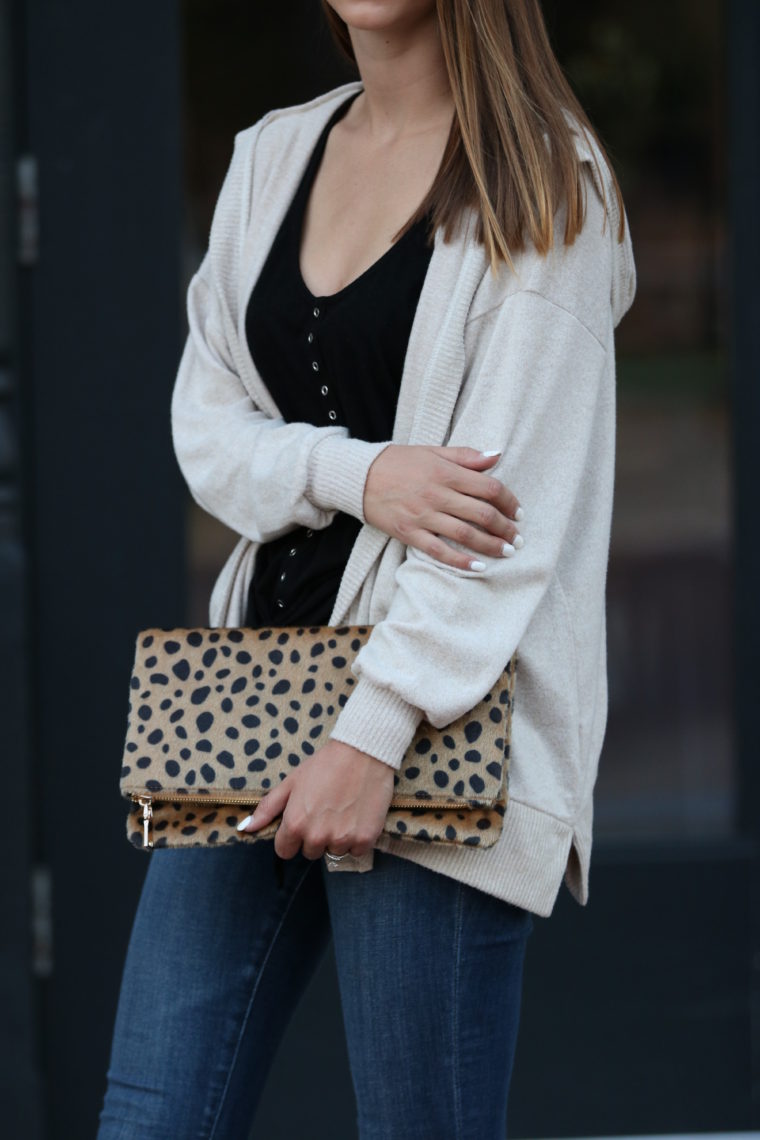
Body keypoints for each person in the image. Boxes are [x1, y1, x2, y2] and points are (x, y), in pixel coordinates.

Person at [97, 1, 635, 1137]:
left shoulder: (543, 180)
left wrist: (371, 732)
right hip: (248, 705)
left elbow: (505, 523)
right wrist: (361, 474)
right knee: (150, 1116)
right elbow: (207, 431)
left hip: (441, 724)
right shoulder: (270, 155)